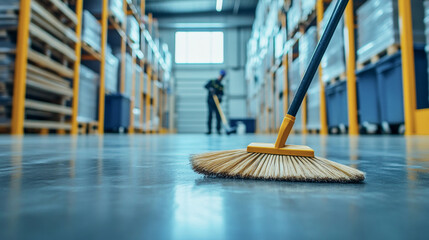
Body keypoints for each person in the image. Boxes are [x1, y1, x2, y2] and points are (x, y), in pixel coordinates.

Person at [204, 70, 226, 135]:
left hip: (217, 103)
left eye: (222, 77)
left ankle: (218, 130)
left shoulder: (221, 86)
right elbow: (205, 86)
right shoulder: (212, 81)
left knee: (218, 116)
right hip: (210, 102)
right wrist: (210, 89)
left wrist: (220, 97)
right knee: (210, 115)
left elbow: (222, 94)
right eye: (220, 76)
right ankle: (209, 130)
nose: (221, 77)